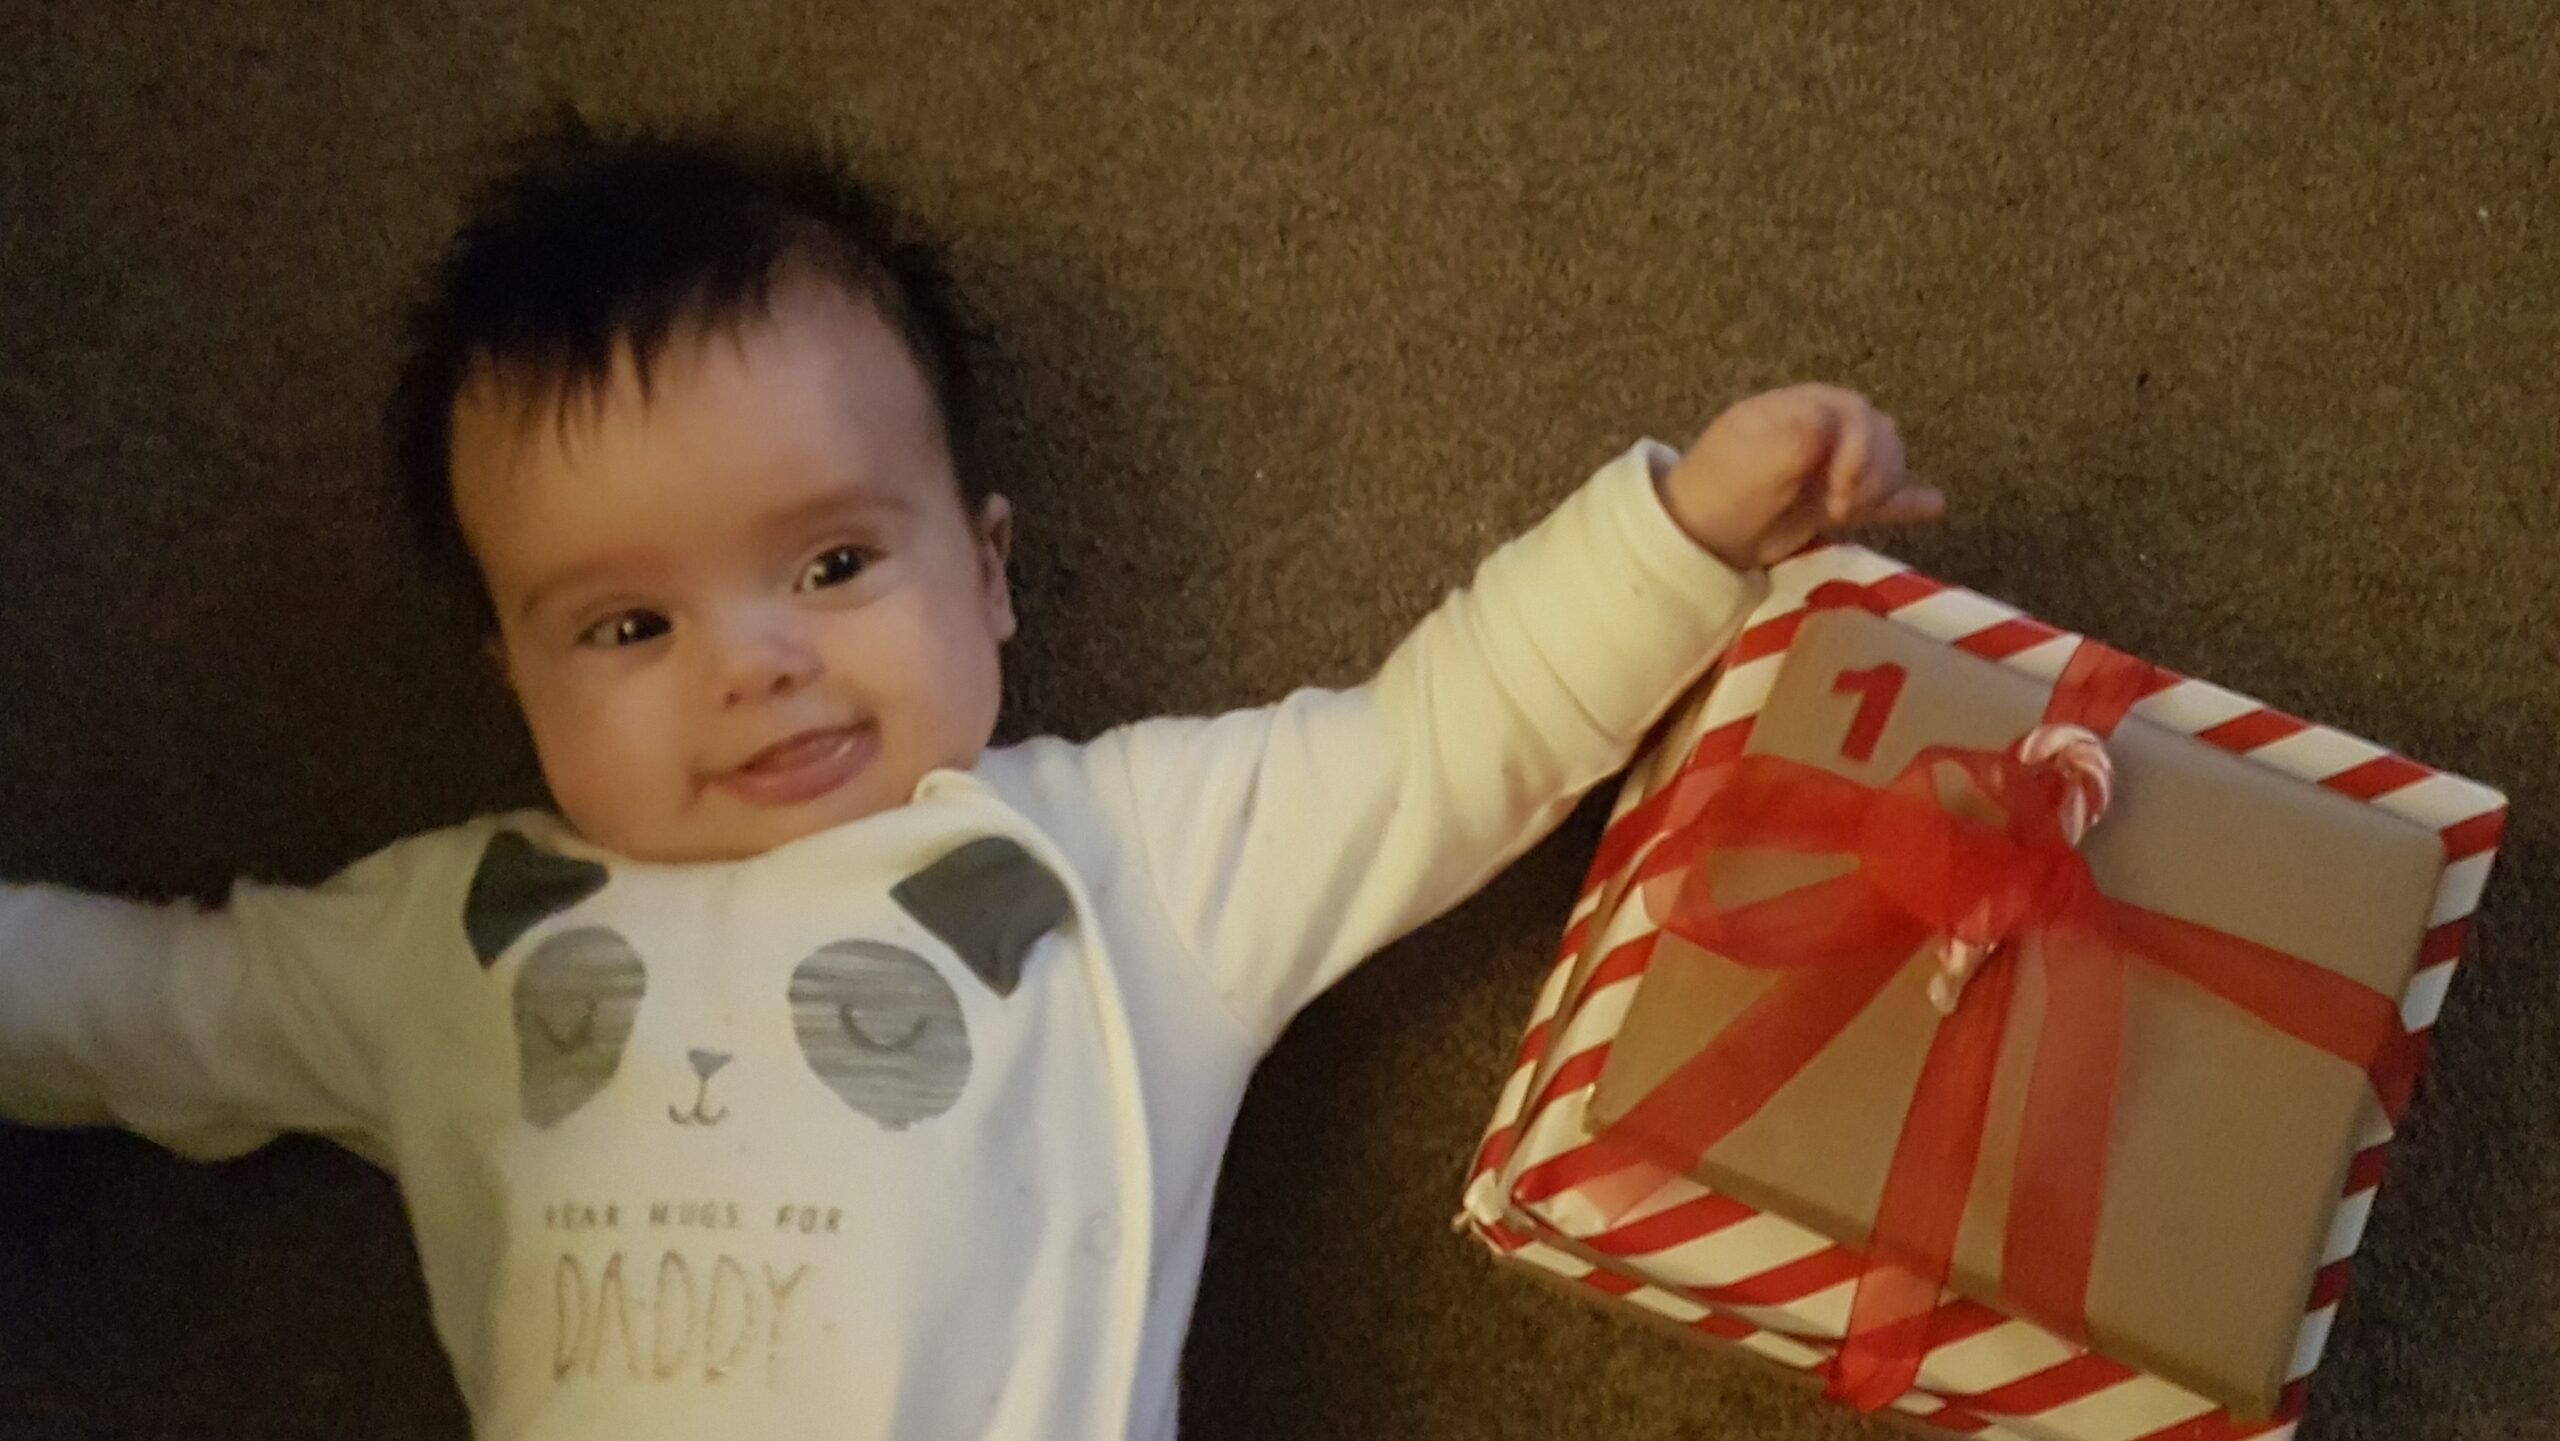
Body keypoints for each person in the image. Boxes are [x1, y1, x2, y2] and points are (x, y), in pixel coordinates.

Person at [0, 114, 1943, 1440]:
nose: (754, 660)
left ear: (986, 571)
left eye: (831, 564)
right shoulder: (451, 936)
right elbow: (140, 1006)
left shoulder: (1121, 861)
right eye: (624, 628)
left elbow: (1432, 748)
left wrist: (1683, 534)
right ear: (506, 673)